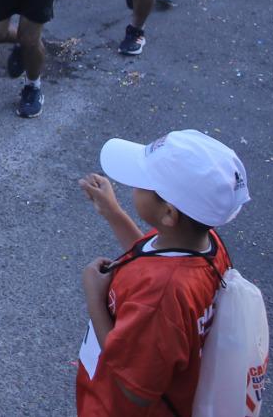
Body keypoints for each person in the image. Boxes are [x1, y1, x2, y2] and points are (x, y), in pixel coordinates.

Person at [75, 130, 249, 417]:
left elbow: (135, 387)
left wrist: (94, 298)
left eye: (144, 183)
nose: (133, 185)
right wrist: (113, 212)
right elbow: (155, 256)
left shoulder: (161, 296)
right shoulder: (206, 246)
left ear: (168, 214)